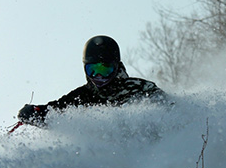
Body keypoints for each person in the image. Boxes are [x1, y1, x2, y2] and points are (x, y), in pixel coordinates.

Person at [17, 35, 165, 126]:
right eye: (92, 70)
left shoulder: (139, 88)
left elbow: (168, 107)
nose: (99, 77)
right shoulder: (83, 96)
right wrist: (35, 113)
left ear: (117, 67)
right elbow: (56, 112)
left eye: (105, 69)